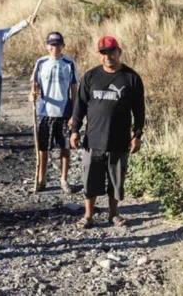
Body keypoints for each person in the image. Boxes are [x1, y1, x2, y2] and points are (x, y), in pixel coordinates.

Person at [70, 36, 145, 228]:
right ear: (100, 55)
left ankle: (114, 214)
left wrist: (137, 135)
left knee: (116, 180)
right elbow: (80, 106)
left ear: (119, 51)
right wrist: (75, 130)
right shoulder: (90, 76)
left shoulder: (132, 78)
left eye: (111, 52)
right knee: (90, 180)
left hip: (119, 140)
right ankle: (88, 216)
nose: (108, 56)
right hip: (93, 139)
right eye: (103, 53)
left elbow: (139, 110)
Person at [29, 32, 79, 193]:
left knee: (65, 148)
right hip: (45, 112)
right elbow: (34, 84)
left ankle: (64, 179)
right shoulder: (41, 62)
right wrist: (32, 94)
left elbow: (74, 89)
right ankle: (41, 178)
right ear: (46, 46)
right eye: (51, 44)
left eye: (57, 44)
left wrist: (74, 113)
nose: (54, 47)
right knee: (43, 148)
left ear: (63, 45)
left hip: (64, 112)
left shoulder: (69, 63)